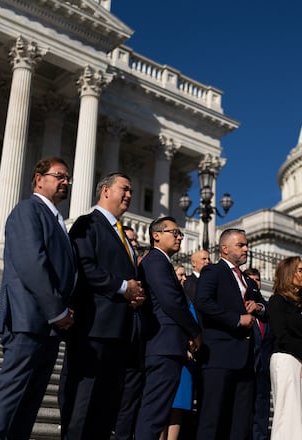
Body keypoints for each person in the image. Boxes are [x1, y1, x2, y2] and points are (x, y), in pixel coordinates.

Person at [0, 157, 77, 440]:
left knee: (29, 403)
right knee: (10, 399)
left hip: (46, 327)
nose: (65, 182)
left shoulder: (55, 219)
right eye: (59, 176)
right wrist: (58, 311)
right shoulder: (28, 210)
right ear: (38, 179)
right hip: (28, 320)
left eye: (67, 178)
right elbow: (32, 264)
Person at [59, 172, 146, 439]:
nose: (130, 195)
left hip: (120, 333)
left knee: (105, 410)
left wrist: (136, 294)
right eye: (125, 189)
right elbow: (84, 266)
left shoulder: (121, 233)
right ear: (105, 191)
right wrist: (123, 287)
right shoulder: (88, 224)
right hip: (93, 329)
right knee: (82, 407)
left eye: (131, 190)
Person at [195, 228, 266, 440]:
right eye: (241, 245)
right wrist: (237, 319)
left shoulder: (249, 281)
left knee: (241, 420)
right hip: (219, 355)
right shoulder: (213, 272)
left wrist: (259, 306)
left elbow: (266, 307)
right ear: (224, 249)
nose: (246, 248)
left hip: (246, 359)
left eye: (246, 245)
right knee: (213, 418)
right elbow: (203, 302)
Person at [135, 216, 202, 439]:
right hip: (162, 346)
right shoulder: (155, 260)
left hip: (167, 345)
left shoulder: (161, 261)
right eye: (174, 233)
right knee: (153, 414)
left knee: (158, 412)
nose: (180, 237)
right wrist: (194, 331)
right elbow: (172, 301)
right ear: (156, 235)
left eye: (180, 233)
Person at [267, 256, 302, 439]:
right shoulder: (276, 301)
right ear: (289, 274)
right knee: (289, 412)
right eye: (300, 270)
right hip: (286, 361)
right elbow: (281, 335)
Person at [114, 224, 147, 439]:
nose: (134, 244)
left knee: (129, 402)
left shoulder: (141, 270)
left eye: (135, 242)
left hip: (137, 342)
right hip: (115, 337)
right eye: (129, 240)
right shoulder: (117, 266)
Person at [161, 263, 197, 440]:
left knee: (179, 407)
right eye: (180, 275)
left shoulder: (188, 299)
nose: (184, 278)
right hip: (171, 353)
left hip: (187, 360)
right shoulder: (165, 295)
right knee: (163, 405)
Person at [243, 267, 272, 440]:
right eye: (250, 279)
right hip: (245, 365)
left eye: (257, 279)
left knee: (262, 411)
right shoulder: (239, 306)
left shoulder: (266, 309)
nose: (255, 283)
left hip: (263, 368)